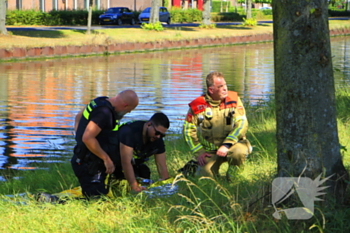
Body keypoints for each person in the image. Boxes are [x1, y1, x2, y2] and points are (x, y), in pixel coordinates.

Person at [182, 71, 252, 178]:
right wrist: (199, 152)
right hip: (211, 151)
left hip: (233, 146)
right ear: (211, 90)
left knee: (238, 153)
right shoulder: (197, 106)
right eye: (220, 86)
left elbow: (242, 124)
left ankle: (233, 177)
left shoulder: (234, 99)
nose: (225, 88)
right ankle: (198, 170)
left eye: (225, 85)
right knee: (205, 178)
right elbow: (188, 131)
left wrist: (227, 144)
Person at [71, 89, 139, 197]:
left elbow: (79, 116)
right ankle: (50, 200)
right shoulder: (104, 113)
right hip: (89, 164)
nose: (128, 112)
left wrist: (79, 137)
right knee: (96, 200)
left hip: (88, 158)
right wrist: (106, 159)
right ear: (125, 105)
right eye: (129, 110)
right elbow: (88, 138)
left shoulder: (100, 101)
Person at [113, 112, 170, 193]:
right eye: (157, 133)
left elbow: (162, 166)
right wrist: (134, 187)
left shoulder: (157, 139)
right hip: (113, 164)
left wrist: (166, 187)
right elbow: (126, 162)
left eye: (162, 135)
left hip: (134, 165)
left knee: (144, 171)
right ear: (149, 125)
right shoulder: (129, 132)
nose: (158, 136)